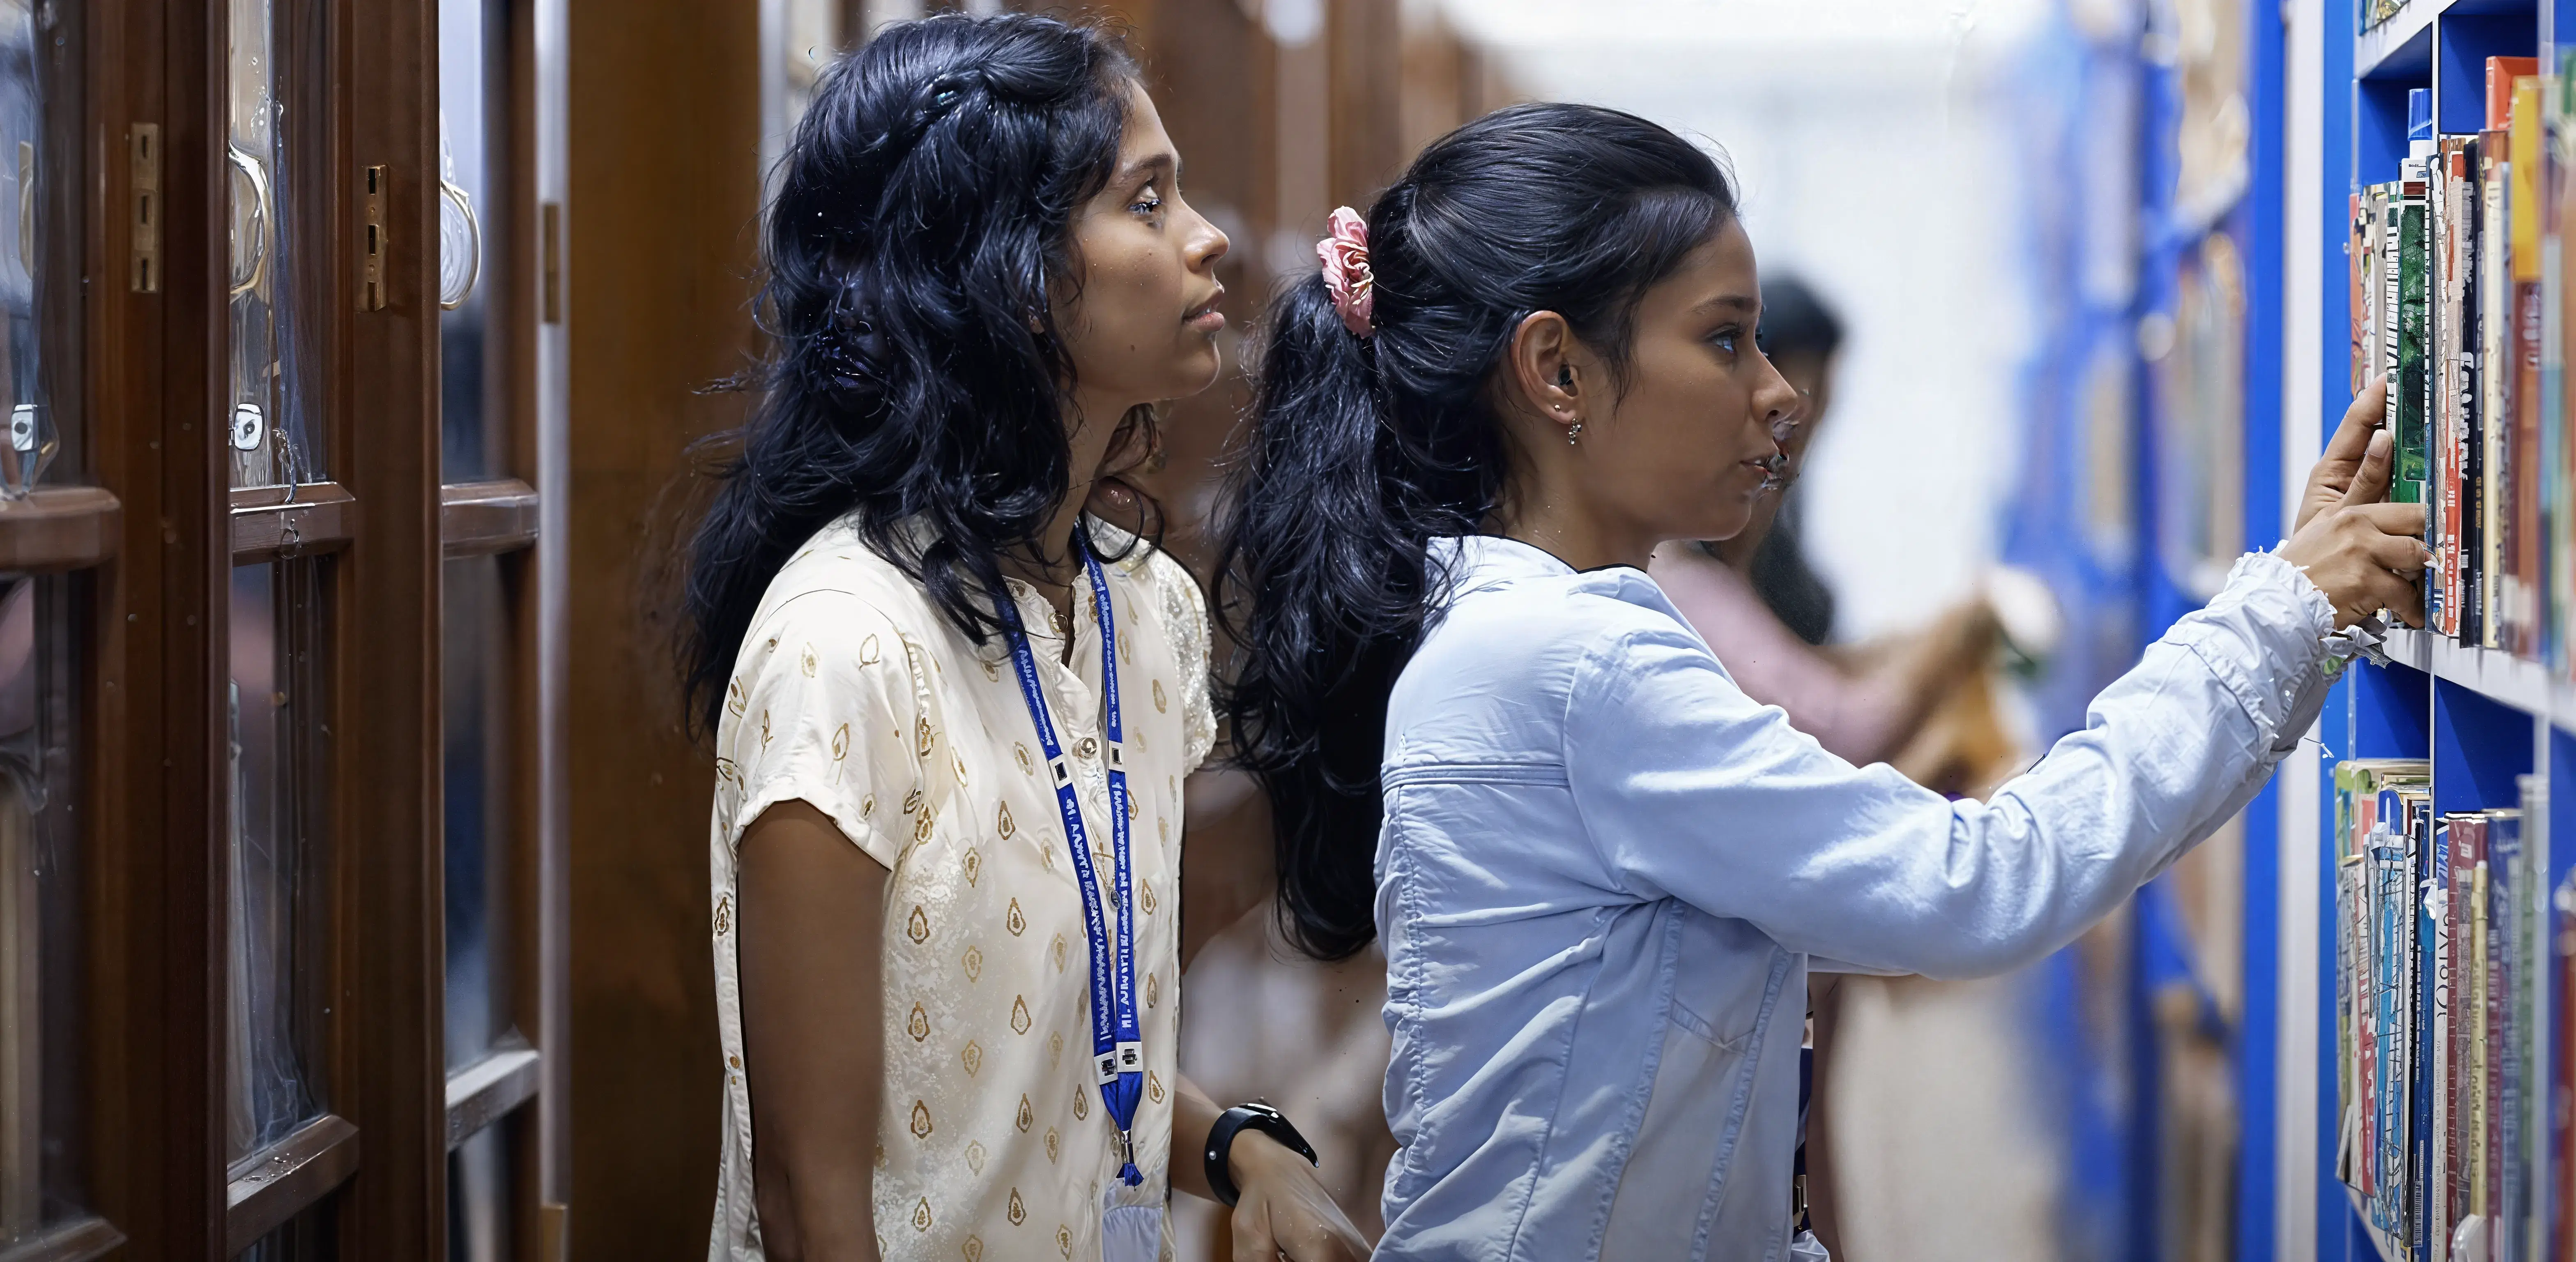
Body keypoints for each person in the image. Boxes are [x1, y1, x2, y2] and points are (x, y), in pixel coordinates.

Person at [1217, 101, 2423, 1259]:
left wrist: (2294, 623)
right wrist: (2279, 613)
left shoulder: (1517, 636)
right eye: (1721, 339)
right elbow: (1980, 885)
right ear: (1556, 372)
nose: (1779, 392)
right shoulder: (1572, 665)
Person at [677, 16, 1366, 1262]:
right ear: (1003, 276)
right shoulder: (846, 645)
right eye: (1144, 202)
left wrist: (1235, 1146)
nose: (1205, 237)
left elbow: (1066, 1060)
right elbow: (807, 1193)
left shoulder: (1142, 606)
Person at [1647, 275, 2003, 775]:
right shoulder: (1684, 581)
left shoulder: (1764, 553)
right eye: (1789, 419)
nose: (1789, 456)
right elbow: (1838, 733)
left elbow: (1794, 673)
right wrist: (1947, 642)